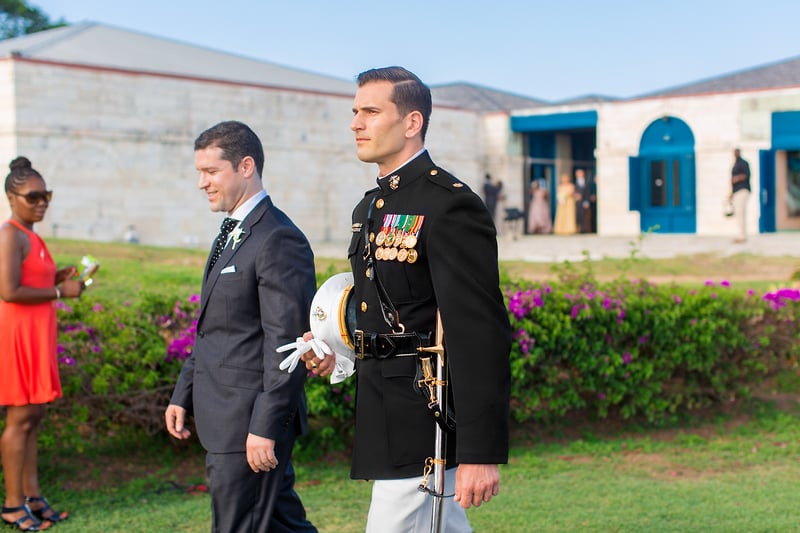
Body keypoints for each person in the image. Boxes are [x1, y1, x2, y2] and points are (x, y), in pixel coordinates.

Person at [303, 66, 511, 532]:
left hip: (428, 415)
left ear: (412, 122)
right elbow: (387, 312)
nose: (356, 123)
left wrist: (480, 451)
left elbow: (478, 332)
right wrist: (333, 344)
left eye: (371, 112)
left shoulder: (449, 204)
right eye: (355, 112)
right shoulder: (370, 208)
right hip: (383, 407)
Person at [164, 121, 317, 533]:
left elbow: (287, 347)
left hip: (248, 425)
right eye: (200, 172)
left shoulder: (278, 238)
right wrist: (184, 393)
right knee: (282, 524)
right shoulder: (231, 232)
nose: (202, 183)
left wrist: (264, 428)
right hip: (222, 415)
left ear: (245, 166)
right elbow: (216, 329)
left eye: (211, 172)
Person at [1, 157, 84, 532]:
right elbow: (9, 290)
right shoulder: (10, 234)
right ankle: (12, 505)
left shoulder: (31, 235)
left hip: (37, 336)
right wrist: (58, 290)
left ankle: (33, 497)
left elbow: (29, 278)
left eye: (45, 195)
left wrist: (54, 274)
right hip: (17, 338)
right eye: (33, 196)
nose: (41, 202)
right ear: (11, 197)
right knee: (19, 420)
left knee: (33, 418)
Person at [730, 148, 750, 243]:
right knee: (738, 213)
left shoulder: (743, 163)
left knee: (741, 212)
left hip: (742, 190)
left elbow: (746, 175)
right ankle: (741, 234)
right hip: (736, 191)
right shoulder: (735, 163)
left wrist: (736, 178)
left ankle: (742, 236)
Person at [574, 169, 593, 233]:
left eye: (580, 173)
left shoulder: (587, 182)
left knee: (585, 216)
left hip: (584, 201)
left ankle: (585, 229)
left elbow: (588, 192)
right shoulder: (575, 182)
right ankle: (579, 229)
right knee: (578, 215)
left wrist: (586, 201)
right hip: (577, 202)